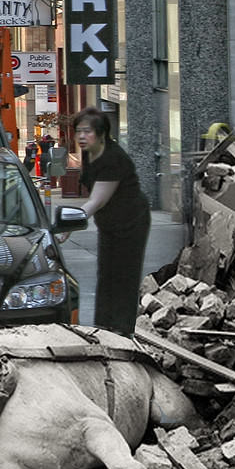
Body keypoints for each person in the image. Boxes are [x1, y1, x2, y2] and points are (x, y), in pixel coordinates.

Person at [74, 106, 151, 335]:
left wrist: (71, 221)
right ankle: (104, 328)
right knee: (106, 275)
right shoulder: (89, 154)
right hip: (109, 223)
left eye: (87, 131)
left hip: (131, 223)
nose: (81, 137)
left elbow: (97, 200)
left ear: (101, 134)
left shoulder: (113, 158)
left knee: (124, 276)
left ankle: (122, 330)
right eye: (78, 131)